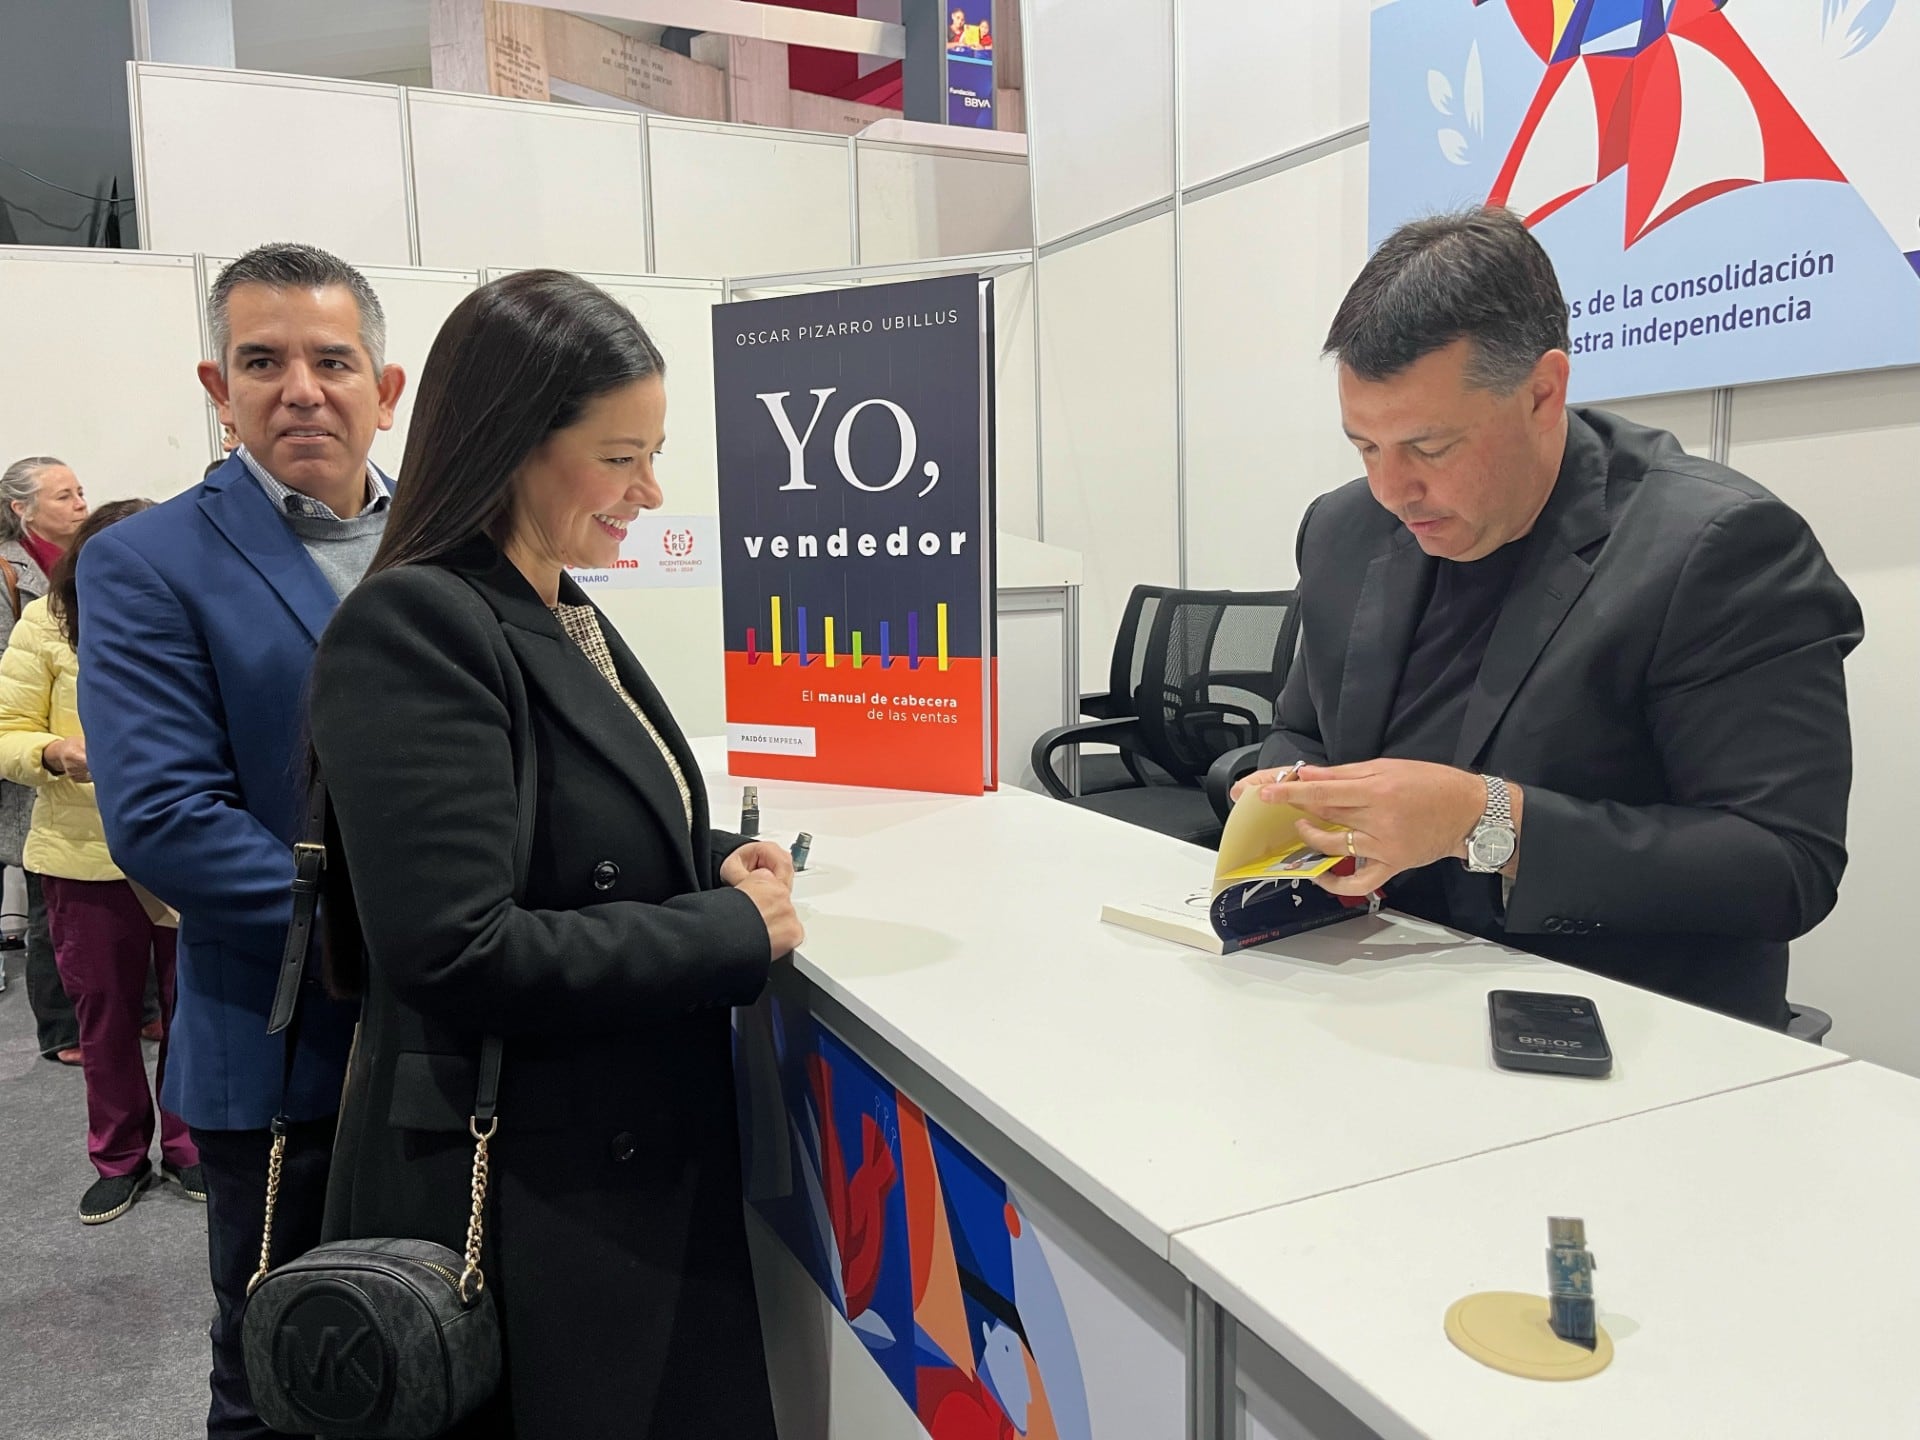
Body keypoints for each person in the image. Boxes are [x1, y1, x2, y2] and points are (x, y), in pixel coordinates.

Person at [309, 269, 802, 1438]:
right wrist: (724, 932)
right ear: (514, 444)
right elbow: (456, 945)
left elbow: (575, 829)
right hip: (535, 1198)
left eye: (654, 451)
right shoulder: (422, 621)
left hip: (613, 1171)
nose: (651, 489)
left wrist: (713, 855)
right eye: (621, 455)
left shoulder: (556, 605)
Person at [1236, 206, 1862, 1028]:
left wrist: (1483, 822)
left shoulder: (1715, 549)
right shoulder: (1344, 530)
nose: (1393, 491)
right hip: (1373, 990)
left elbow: (1783, 867)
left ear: (1542, 393)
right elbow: (1304, 736)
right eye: (1365, 446)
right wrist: (1284, 788)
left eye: (1429, 448)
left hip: (1620, 1024)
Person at [76, 242, 404, 1437]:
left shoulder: (461, 542)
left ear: (388, 386)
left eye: (332, 359)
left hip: (468, 1046)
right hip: (284, 1054)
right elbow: (163, 821)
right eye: (261, 361)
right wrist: (409, 928)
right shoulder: (148, 562)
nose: (299, 388)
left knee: (447, 1356)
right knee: (286, 1375)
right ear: (218, 388)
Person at [0, 500, 203, 1222]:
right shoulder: (44, 625)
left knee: (194, 1010)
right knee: (106, 1017)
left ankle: (187, 1148)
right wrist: (54, 753)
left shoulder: (191, 613)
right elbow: (7, 731)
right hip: (85, 853)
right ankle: (118, 1157)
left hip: (186, 847)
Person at [0, 456, 88, 1064]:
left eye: (81, 492)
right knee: (46, 897)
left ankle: (127, 1011)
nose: (81, 504)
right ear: (20, 509)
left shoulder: (82, 567)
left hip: (73, 750)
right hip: (31, 741)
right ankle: (62, 1029)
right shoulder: (13, 574)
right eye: (64, 495)